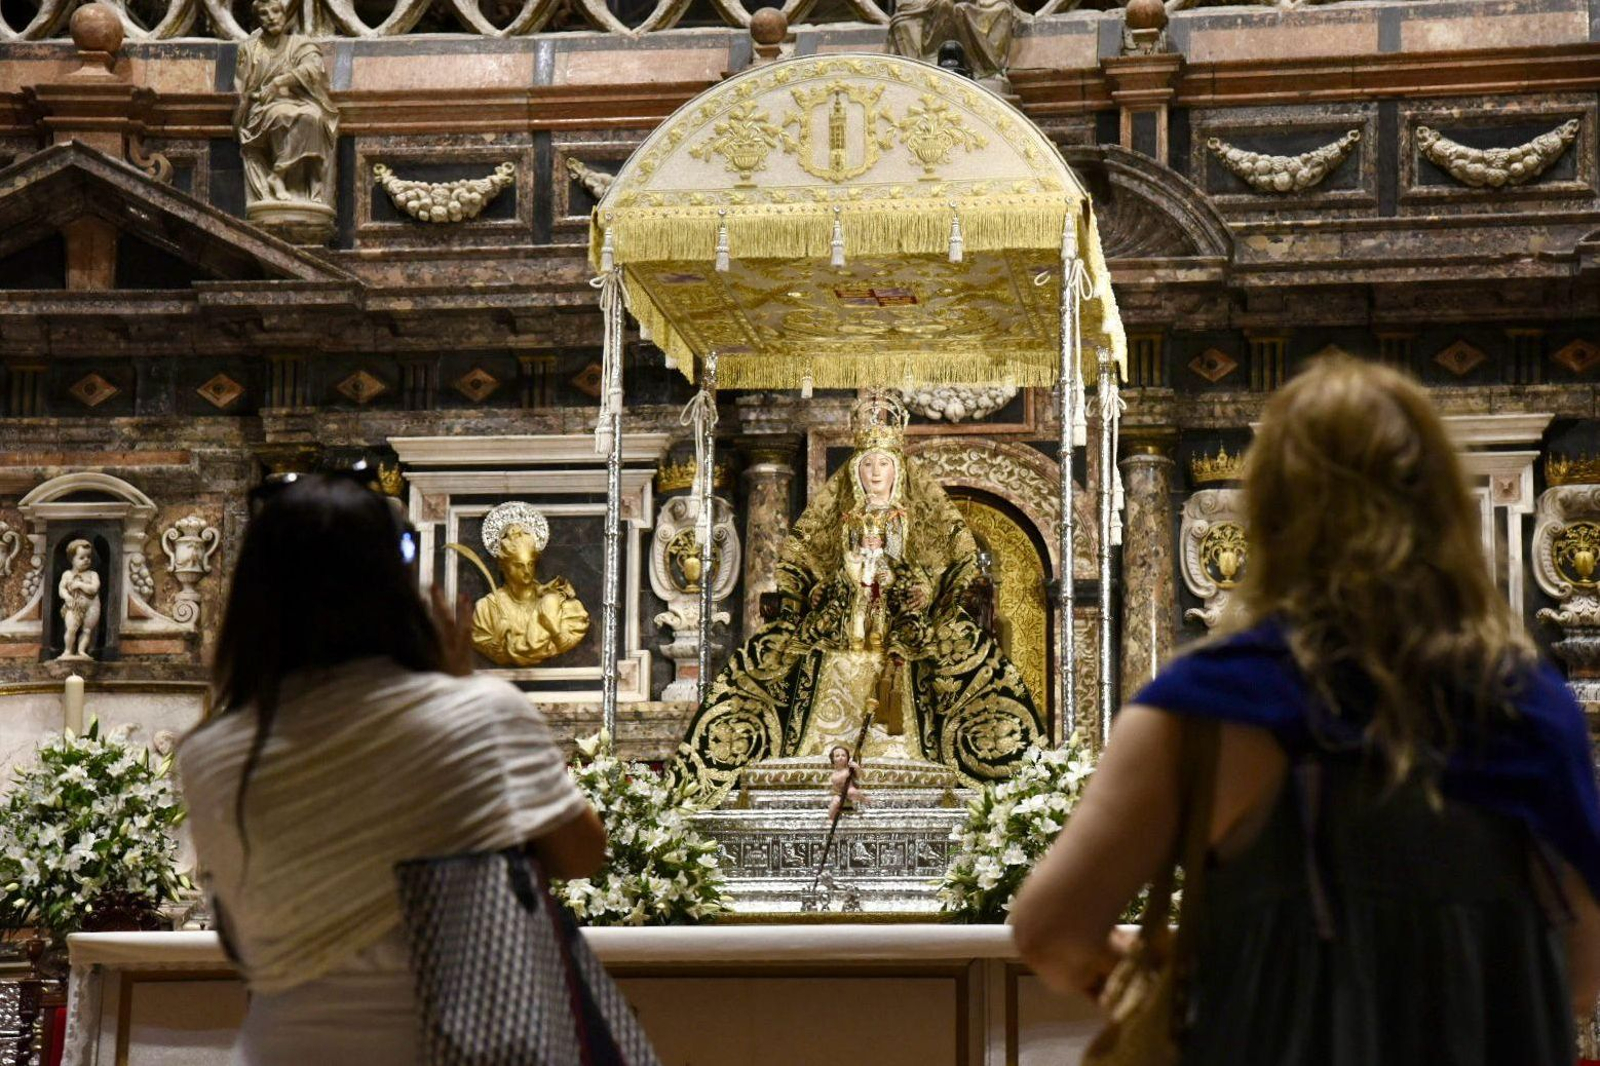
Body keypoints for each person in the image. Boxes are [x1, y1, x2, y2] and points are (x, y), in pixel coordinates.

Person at [1010, 355, 1600, 1065]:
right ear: (1441, 510)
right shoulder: (1531, 709)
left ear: (1270, 516)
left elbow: (1052, 930)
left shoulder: (1205, 705)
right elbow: (1581, 972)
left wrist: (1186, 986)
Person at [178, 473, 606, 1066]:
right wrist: (458, 690)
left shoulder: (209, 753)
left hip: (286, 1046)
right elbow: (581, 855)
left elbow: (238, 935)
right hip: (452, 1046)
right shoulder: (481, 713)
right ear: (396, 585)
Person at [672, 391, 1042, 800]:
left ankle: (901, 747)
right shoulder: (843, 520)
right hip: (846, 621)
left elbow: (938, 567)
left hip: (900, 626)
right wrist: (836, 584)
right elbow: (814, 567)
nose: (876, 473)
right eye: (868, 465)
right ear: (855, 473)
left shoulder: (911, 519)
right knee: (782, 659)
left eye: (884, 464)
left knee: (949, 660)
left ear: (898, 471)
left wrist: (918, 587)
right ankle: (821, 749)